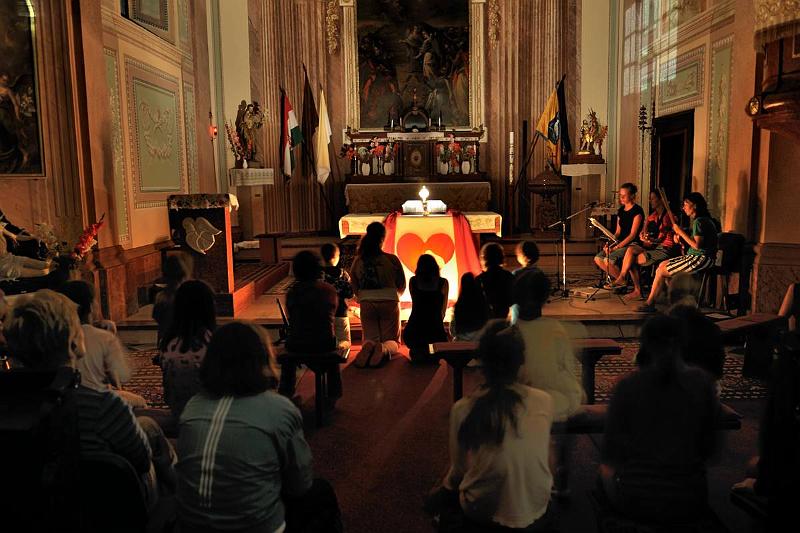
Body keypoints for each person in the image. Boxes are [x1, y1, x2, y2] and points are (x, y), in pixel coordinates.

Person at [3, 290, 175, 511]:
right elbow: (141, 460)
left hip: (36, 508)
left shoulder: (10, 405)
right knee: (150, 432)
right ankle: (177, 500)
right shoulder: (105, 406)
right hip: (110, 507)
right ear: (75, 344)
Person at [176, 321, 341, 533]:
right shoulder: (279, 409)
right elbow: (300, 483)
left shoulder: (193, 407)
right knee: (321, 492)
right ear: (262, 358)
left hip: (189, 526)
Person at [425, 320, 556, 531]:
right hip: (537, 508)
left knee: (442, 498)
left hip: (482, 512)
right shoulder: (544, 401)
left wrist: (438, 495)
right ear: (522, 360)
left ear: (482, 361)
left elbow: (458, 473)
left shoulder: (464, 408)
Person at [599, 314, 721, 523]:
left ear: (644, 346)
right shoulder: (702, 383)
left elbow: (611, 453)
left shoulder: (627, 386)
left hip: (636, 497)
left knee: (603, 474)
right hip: (689, 496)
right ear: (683, 343)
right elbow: (711, 450)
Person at [59, 280, 147, 408]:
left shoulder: (54, 336)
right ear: (90, 306)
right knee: (140, 403)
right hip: (95, 401)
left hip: (62, 403)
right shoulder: (103, 337)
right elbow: (122, 376)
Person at [514, 269, 584, 422]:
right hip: (551, 402)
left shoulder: (507, 333)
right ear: (545, 298)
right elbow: (566, 371)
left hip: (518, 403)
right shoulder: (557, 330)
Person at [279, 251, 343, 404]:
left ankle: (286, 394)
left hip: (297, 344)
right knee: (332, 349)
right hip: (324, 343)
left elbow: (292, 317)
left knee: (288, 357)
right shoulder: (329, 290)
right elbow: (331, 314)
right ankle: (333, 394)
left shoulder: (293, 293)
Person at [638, 192, 719, 313]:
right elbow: (694, 242)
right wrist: (680, 239)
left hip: (700, 259)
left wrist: (680, 232)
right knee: (662, 265)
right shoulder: (702, 220)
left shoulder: (700, 221)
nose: (683, 207)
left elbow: (697, 246)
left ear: (695, 206)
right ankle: (675, 302)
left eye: (686, 204)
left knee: (661, 271)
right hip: (697, 257)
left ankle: (651, 303)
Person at [350, 222, 406, 368]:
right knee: (393, 340)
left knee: (370, 337)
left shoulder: (359, 260)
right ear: (382, 238)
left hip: (367, 301)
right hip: (389, 300)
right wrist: (395, 295)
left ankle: (369, 346)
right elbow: (401, 283)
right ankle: (385, 349)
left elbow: (353, 282)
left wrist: (362, 296)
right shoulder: (392, 259)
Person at [159, 279, 217, 422]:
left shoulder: (167, 343)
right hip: (211, 417)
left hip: (179, 414)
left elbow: (168, 393)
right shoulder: (213, 343)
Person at [609, 190, 676, 299]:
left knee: (630, 259)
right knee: (630, 252)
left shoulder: (668, 216)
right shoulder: (653, 216)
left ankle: (632, 285)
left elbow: (661, 239)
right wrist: (643, 236)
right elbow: (644, 231)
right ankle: (628, 282)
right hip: (652, 246)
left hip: (664, 249)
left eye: (653, 198)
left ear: (661, 200)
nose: (650, 201)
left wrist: (651, 240)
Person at [402, 254, 449, 363]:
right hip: (435, 330)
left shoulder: (413, 281)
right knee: (433, 348)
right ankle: (430, 353)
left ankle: (419, 352)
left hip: (414, 329)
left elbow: (415, 302)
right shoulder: (443, 283)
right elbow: (443, 310)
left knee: (418, 347)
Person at [593, 183, 644, 281]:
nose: (621, 198)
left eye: (624, 195)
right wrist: (610, 244)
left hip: (632, 244)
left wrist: (616, 247)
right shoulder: (621, 210)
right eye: (620, 195)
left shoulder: (637, 211)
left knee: (608, 260)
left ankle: (620, 281)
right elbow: (617, 232)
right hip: (619, 243)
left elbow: (632, 235)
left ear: (632, 196)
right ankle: (622, 281)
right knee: (598, 259)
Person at [152, 253, 192, 350]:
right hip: (185, 339)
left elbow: (156, 316)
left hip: (166, 339)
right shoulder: (189, 295)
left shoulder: (161, 296)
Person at [320, 242, 354, 352]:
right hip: (341, 312)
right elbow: (350, 293)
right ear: (336, 257)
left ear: (322, 256)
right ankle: (340, 350)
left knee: (326, 340)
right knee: (344, 340)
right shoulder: (343, 273)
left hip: (324, 313)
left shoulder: (319, 274)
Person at [476, 242, 514, 320]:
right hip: (502, 319)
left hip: (485, 320)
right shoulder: (508, 276)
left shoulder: (479, 279)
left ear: (484, 258)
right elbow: (512, 300)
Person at [451, 272, 489, 341]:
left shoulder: (460, 303)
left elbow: (454, 328)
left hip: (462, 338)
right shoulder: (481, 301)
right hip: (479, 337)